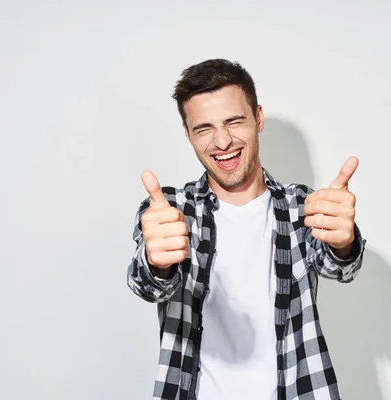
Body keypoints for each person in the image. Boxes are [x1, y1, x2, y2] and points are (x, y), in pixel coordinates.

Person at [127, 59, 366, 400]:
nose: (222, 141)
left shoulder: (302, 206)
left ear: (258, 118)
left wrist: (345, 242)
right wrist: (157, 263)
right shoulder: (170, 210)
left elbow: (339, 265)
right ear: (187, 133)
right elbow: (146, 283)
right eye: (204, 128)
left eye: (234, 121)